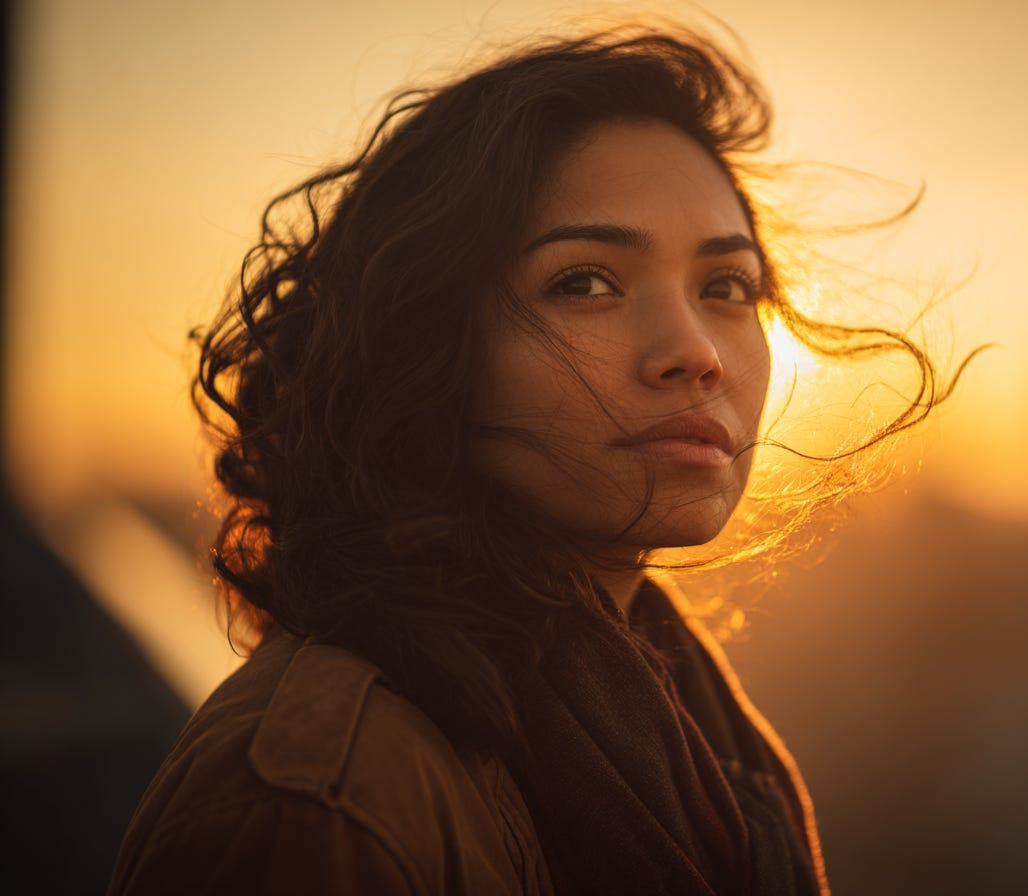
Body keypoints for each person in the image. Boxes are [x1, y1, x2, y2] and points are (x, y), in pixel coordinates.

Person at [109, 25, 951, 896]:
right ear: (427, 346)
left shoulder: (696, 736)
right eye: (585, 281)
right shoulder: (319, 804)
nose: (694, 352)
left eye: (727, 288)